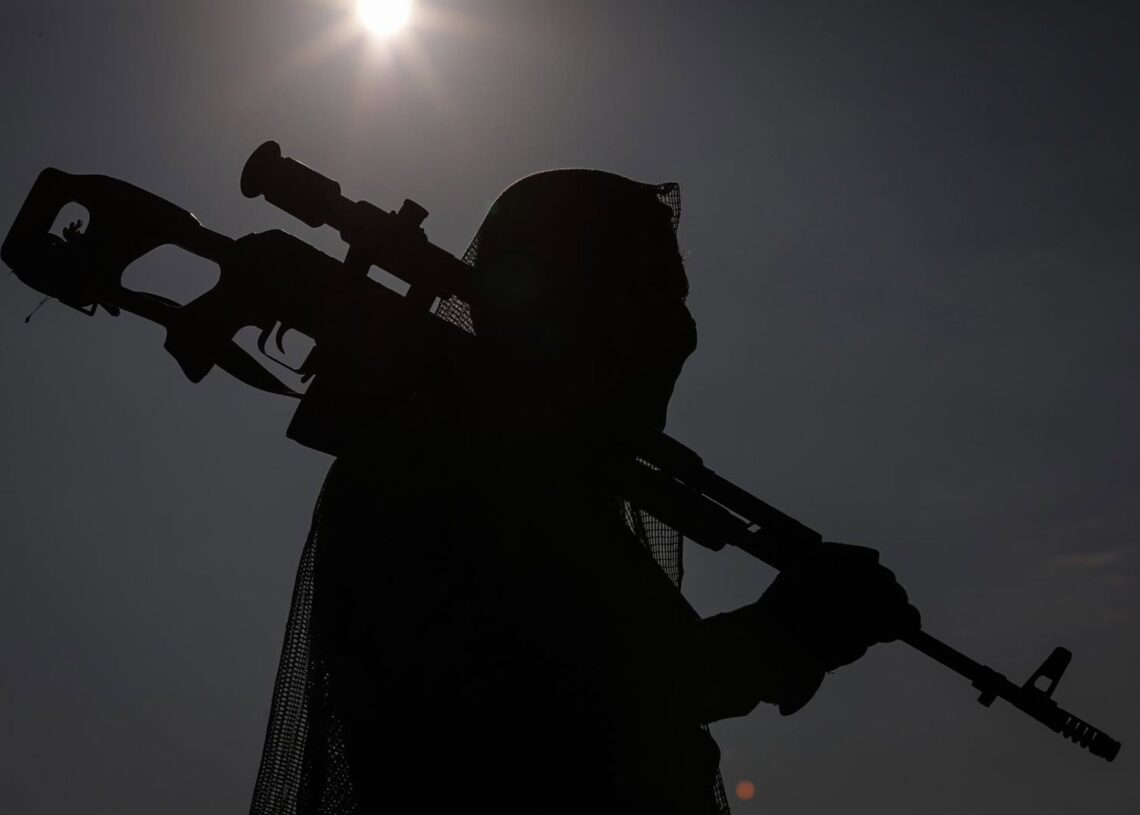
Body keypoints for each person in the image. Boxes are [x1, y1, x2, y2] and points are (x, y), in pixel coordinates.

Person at [249, 169, 920, 815]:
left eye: (675, 295)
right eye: (646, 290)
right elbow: (533, 716)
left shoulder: (547, 483)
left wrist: (779, 640)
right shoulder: (436, 465)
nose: (678, 330)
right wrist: (779, 638)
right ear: (565, 303)